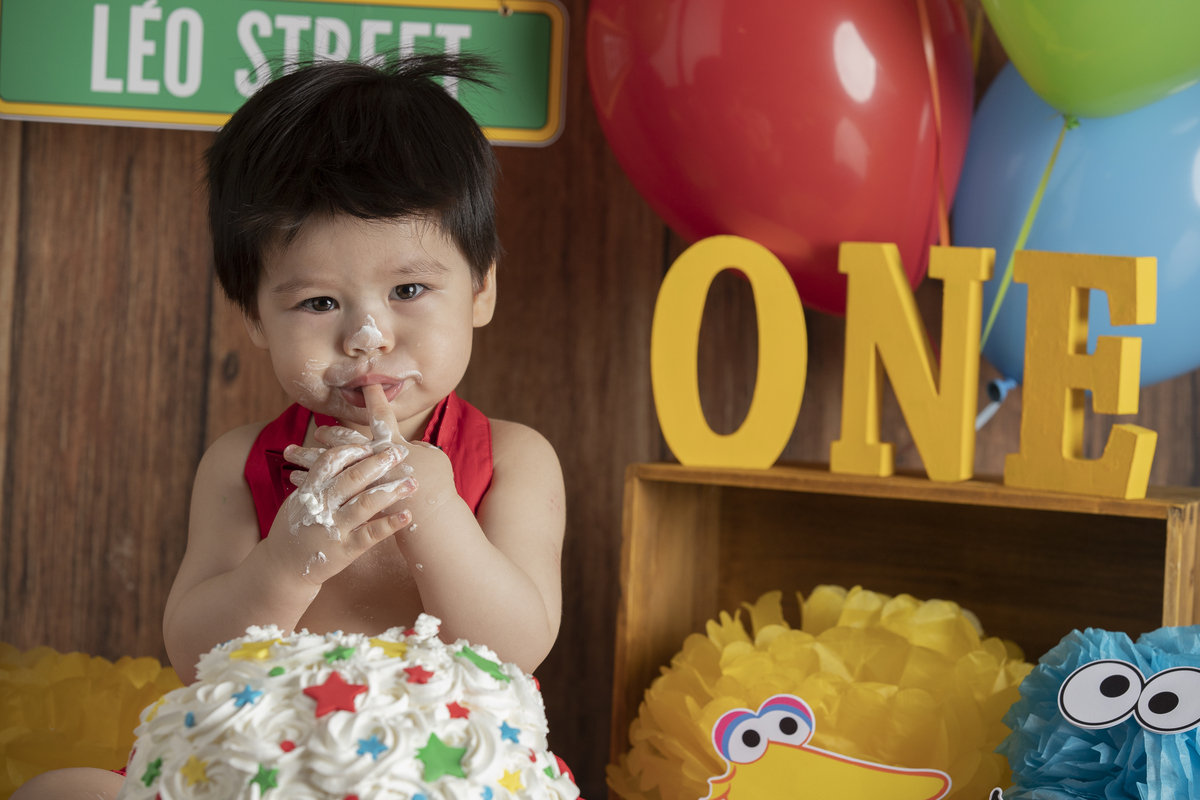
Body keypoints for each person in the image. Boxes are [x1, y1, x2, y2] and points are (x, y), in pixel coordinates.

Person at [13, 54, 567, 799]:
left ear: (481, 289)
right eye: (317, 304)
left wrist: (434, 508)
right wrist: (293, 557)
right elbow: (195, 652)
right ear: (254, 317)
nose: (368, 336)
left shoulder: (512, 459)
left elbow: (517, 648)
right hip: (262, 772)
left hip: (448, 775)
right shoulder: (243, 463)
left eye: (408, 289)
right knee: (57, 791)